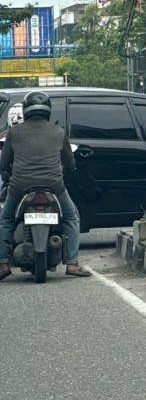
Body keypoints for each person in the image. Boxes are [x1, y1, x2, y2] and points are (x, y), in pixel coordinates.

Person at [0, 91, 90, 280]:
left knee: (6, 220)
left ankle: (3, 264)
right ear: (48, 111)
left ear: (26, 111)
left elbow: (4, 161)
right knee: (71, 219)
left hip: (19, 185)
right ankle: (72, 263)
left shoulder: (14, 132)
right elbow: (69, 161)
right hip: (54, 185)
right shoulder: (58, 132)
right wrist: (69, 169)